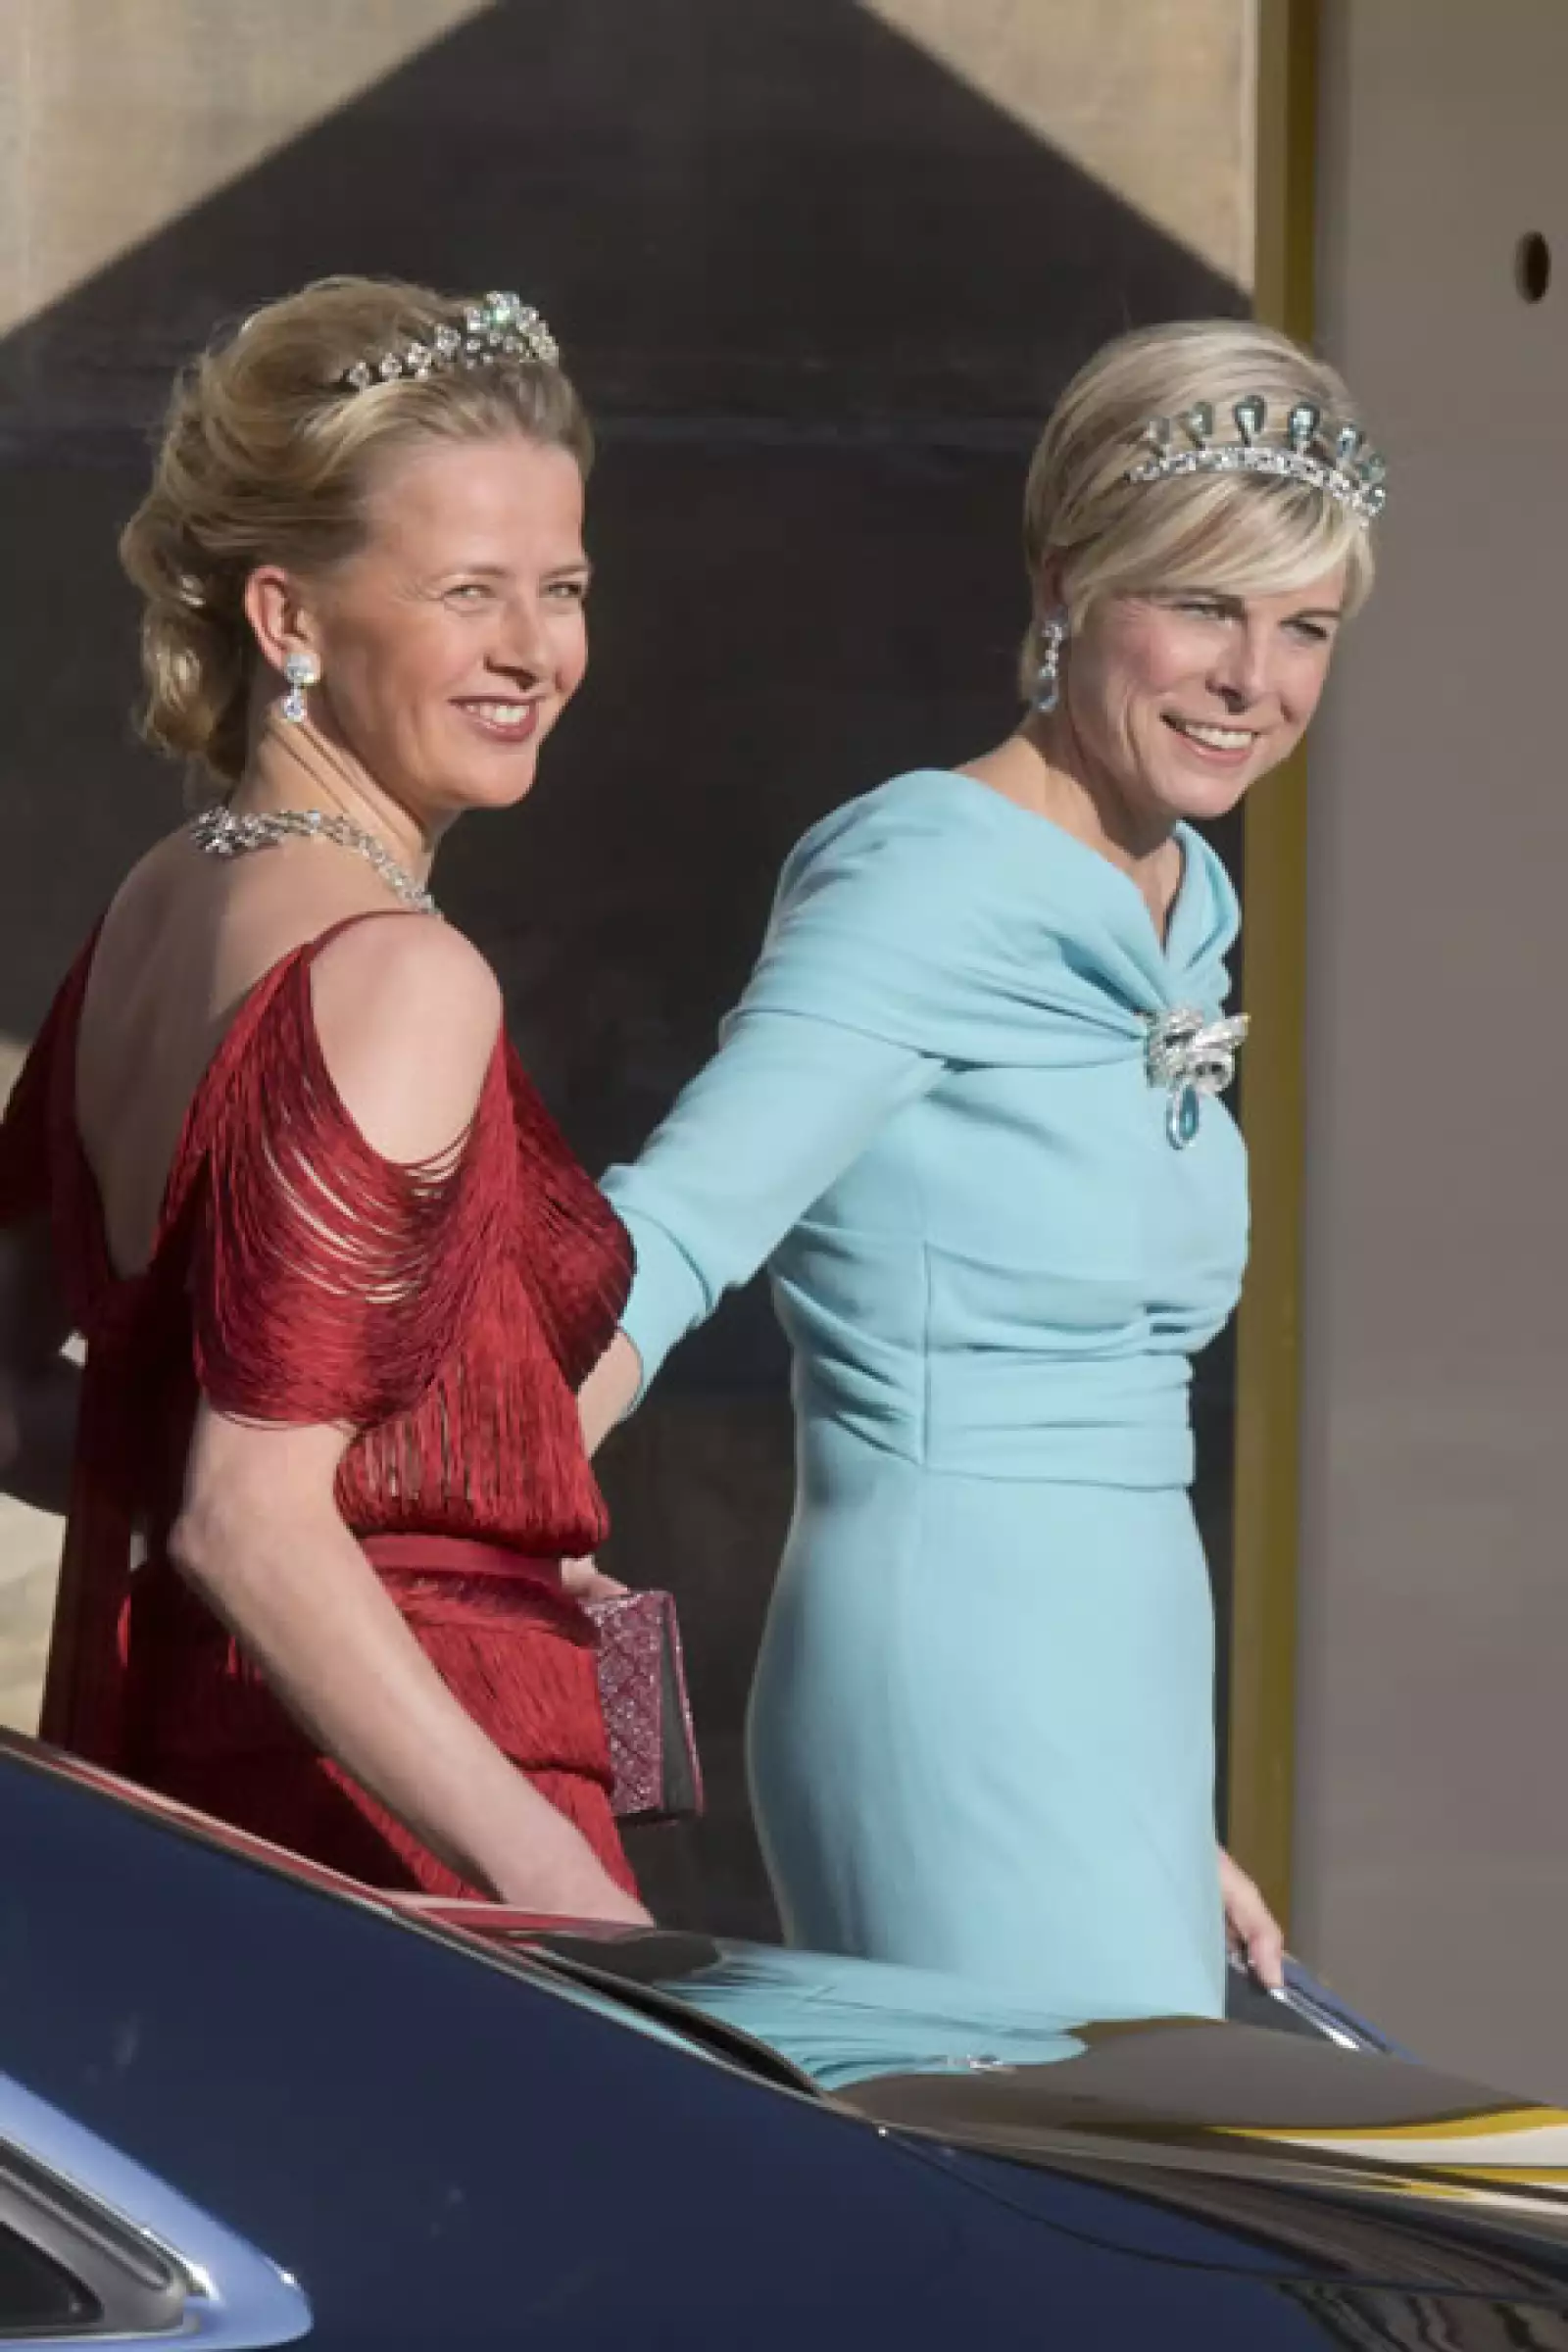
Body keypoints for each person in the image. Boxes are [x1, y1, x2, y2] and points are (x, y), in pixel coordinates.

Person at [583, 318, 1387, 2012]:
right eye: (1204, 606)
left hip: (1126, 1690)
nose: (1256, 681)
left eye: (1304, 627)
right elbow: (673, 1230)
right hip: (950, 1673)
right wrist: (459, 1529)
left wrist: (1165, 1818)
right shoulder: (929, 876)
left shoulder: (1182, 904)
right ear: (1066, 584)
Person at [0, 277, 648, 1921]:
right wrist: (558, 1881)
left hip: (217, 1788)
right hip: (413, 1851)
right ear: (287, 620)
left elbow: (24, 1403)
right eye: (469, 593)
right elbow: (249, 1516)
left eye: (561, 588)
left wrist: (475, 1524)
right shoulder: (402, 973)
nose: (534, 651)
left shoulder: (153, 913)